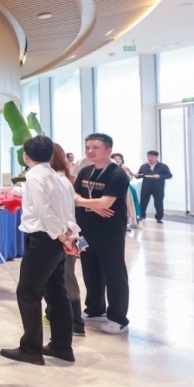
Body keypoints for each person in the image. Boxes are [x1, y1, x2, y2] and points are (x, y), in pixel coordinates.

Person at [0, 136, 80, 365]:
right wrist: (67, 236)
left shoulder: (35, 177)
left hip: (44, 239)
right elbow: (66, 210)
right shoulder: (59, 177)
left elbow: (45, 212)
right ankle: (61, 346)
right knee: (56, 291)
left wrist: (62, 235)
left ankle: (31, 349)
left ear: (26, 156)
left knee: (28, 293)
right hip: (56, 239)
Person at [73, 133, 130, 334]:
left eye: (95, 147)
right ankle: (95, 309)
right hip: (84, 230)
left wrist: (83, 202)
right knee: (89, 269)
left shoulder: (117, 174)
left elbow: (106, 203)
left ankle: (118, 317)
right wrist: (92, 205)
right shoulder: (85, 171)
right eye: (88, 147)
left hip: (109, 232)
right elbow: (72, 195)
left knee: (113, 272)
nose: (90, 151)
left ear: (108, 150)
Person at [48, 142, 85, 336]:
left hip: (67, 235)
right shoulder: (63, 179)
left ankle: (76, 322)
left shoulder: (58, 180)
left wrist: (63, 236)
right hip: (70, 233)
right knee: (61, 278)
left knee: (66, 279)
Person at [136, 150, 173, 224]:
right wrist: (137, 175)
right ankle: (142, 215)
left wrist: (159, 176)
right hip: (146, 187)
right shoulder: (143, 166)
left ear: (156, 157)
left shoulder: (163, 166)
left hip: (158, 188)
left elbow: (169, 175)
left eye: (152, 157)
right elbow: (140, 175)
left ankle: (159, 217)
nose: (150, 158)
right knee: (143, 202)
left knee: (158, 203)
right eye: (148, 157)